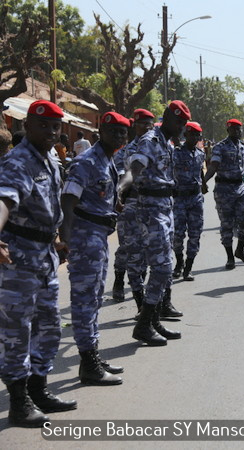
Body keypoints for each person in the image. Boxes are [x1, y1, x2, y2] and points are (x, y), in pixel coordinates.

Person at [0, 100, 76, 427]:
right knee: (17, 332)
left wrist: (60, 237)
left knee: (49, 327)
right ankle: (19, 402)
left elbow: (53, 204)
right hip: (18, 259)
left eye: (55, 126)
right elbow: (4, 199)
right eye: (43, 125)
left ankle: (38, 389)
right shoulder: (18, 161)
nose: (50, 131)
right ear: (27, 127)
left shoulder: (51, 161)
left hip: (44, 256)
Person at [60, 111, 130, 386]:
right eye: (114, 131)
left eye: (123, 132)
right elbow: (69, 196)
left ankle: (93, 355)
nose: (119, 136)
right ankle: (88, 363)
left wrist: (113, 205)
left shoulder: (108, 160)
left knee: (94, 297)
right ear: (101, 131)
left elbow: (98, 193)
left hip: (98, 235)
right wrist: (65, 233)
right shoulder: (87, 160)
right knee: (84, 299)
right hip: (85, 236)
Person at [118, 101, 189, 345]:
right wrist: (121, 187)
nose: (180, 127)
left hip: (165, 209)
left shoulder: (166, 142)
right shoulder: (151, 139)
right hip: (150, 210)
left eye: (183, 123)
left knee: (164, 268)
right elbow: (135, 167)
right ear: (167, 116)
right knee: (162, 268)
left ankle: (154, 320)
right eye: (177, 121)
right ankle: (144, 324)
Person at [111, 108, 154, 303]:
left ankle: (139, 286)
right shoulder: (126, 151)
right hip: (130, 203)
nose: (147, 127)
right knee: (126, 247)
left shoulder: (158, 145)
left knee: (147, 247)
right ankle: (119, 279)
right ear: (134, 126)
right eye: (142, 123)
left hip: (152, 205)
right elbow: (120, 174)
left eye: (149, 123)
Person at [203, 119, 244, 270]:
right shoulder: (220, 147)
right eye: (234, 129)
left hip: (240, 187)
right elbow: (213, 166)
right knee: (227, 225)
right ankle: (230, 257)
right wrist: (204, 181)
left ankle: (240, 250)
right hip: (224, 189)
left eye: (239, 129)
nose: (238, 132)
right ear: (228, 130)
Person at [173, 121, 207, 280]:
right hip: (180, 198)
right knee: (178, 234)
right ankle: (179, 262)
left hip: (196, 199)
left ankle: (188, 267)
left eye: (197, 135)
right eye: (191, 134)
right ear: (185, 135)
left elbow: (200, 170)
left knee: (195, 234)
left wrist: (204, 183)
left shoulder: (201, 154)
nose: (194, 137)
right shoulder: (176, 153)